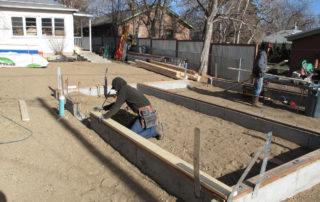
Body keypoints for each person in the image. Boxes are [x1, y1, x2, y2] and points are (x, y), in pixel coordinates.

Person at [94, 77, 164, 140]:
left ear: (117, 85)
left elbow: (116, 108)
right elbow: (116, 104)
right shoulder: (126, 89)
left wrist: (104, 116)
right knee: (131, 132)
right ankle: (154, 127)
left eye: (114, 88)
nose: (115, 90)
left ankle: (155, 130)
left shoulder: (123, 90)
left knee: (131, 137)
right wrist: (103, 108)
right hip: (147, 114)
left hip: (146, 116)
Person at [252, 42, 272, 107]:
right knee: (258, 87)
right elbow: (259, 64)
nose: (269, 49)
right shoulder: (263, 53)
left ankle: (256, 101)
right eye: (269, 48)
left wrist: (265, 68)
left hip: (257, 72)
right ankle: (255, 102)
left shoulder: (261, 52)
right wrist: (263, 70)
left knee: (257, 87)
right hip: (259, 73)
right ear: (266, 47)